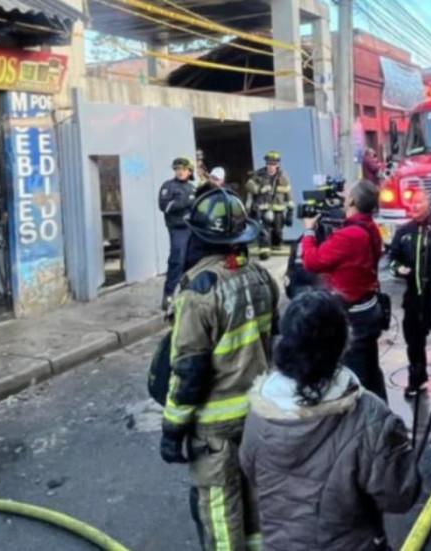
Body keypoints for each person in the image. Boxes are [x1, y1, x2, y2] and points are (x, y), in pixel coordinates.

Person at [240, 289, 421, 551]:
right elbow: (400, 495)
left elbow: (250, 468)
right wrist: (396, 444)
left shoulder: (260, 411)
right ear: (342, 343)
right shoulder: (368, 416)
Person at [160, 188, 278, 550]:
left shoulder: (198, 292)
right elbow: (275, 340)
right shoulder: (260, 276)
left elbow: (189, 371)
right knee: (255, 502)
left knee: (219, 510)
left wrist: (172, 428)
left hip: (215, 426)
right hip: (258, 414)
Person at [300, 180, 387, 401]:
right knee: (371, 371)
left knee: (358, 378)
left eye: (347, 194)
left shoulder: (350, 236)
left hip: (354, 317)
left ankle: (367, 424)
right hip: (368, 309)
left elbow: (312, 261)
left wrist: (309, 232)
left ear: (353, 201)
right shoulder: (369, 228)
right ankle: (382, 417)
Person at [387, 191, 431, 398]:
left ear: (429, 204)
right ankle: (417, 378)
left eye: (419, 202)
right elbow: (392, 259)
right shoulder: (404, 231)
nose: (414, 206)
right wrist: (398, 269)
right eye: (412, 203)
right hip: (413, 298)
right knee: (414, 341)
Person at [159, 157, 197, 309]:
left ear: (189, 171)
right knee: (177, 260)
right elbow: (164, 206)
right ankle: (168, 294)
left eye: (183, 169)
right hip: (178, 229)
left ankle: (187, 292)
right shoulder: (168, 186)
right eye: (177, 169)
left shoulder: (193, 188)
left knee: (192, 261)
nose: (180, 172)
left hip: (192, 228)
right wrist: (186, 201)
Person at [246, 151, 295, 259]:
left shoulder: (283, 177)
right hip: (262, 209)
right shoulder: (258, 174)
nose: (271, 166)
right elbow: (248, 185)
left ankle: (276, 245)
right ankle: (264, 250)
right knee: (264, 230)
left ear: (277, 164)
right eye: (269, 163)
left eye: (273, 164)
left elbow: (288, 194)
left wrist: (290, 210)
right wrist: (260, 189)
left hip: (278, 209)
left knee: (278, 231)